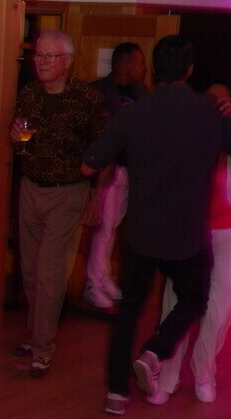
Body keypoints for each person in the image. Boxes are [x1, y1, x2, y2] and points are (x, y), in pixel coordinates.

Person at [81, 35, 231, 415]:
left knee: (129, 311)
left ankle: (117, 393)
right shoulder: (210, 113)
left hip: (142, 233)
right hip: (187, 235)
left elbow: (88, 164)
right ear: (189, 70)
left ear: (153, 69)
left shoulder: (134, 112)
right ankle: (154, 351)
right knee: (194, 299)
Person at [9, 29, 105, 377]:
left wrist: (95, 196)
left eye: (50, 56)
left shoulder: (86, 97)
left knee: (50, 272)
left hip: (67, 192)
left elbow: (103, 149)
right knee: (30, 270)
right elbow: (21, 143)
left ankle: (43, 348)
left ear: (68, 61)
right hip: (30, 187)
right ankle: (36, 334)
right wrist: (16, 138)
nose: (42, 62)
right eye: (38, 55)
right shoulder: (29, 94)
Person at [152, 81, 231, 405]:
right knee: (175, 304)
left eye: (223, 100)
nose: (217, 105)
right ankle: (166, 378)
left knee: (219, 310)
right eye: (211, 99)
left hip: (226, 233)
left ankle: (204, 373)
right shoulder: (190, 132)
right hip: (188, 232)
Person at [84, 43, 148, 308]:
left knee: (112, 228)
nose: (144, 68)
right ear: (124, 63)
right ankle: (93, 284)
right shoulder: (97, 91)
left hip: (129, 169)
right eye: (139, 62)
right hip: (106, 171)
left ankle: (103, 276)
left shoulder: (141, 93)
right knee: (104, 228)